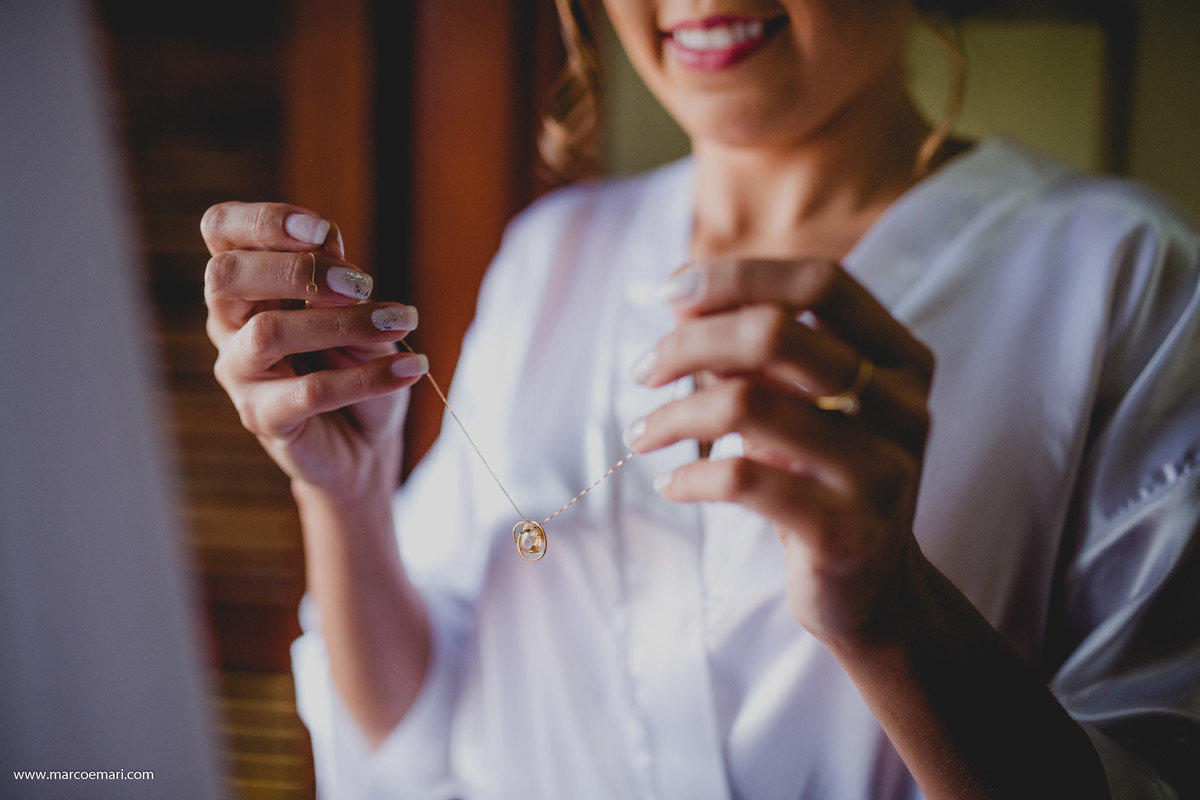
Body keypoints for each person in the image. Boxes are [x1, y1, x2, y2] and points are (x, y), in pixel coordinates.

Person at [201, 1, 1200, 797]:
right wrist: (347, 494)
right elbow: (411, 731)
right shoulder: (550, 256)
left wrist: (891, 619)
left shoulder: (1125, 280)